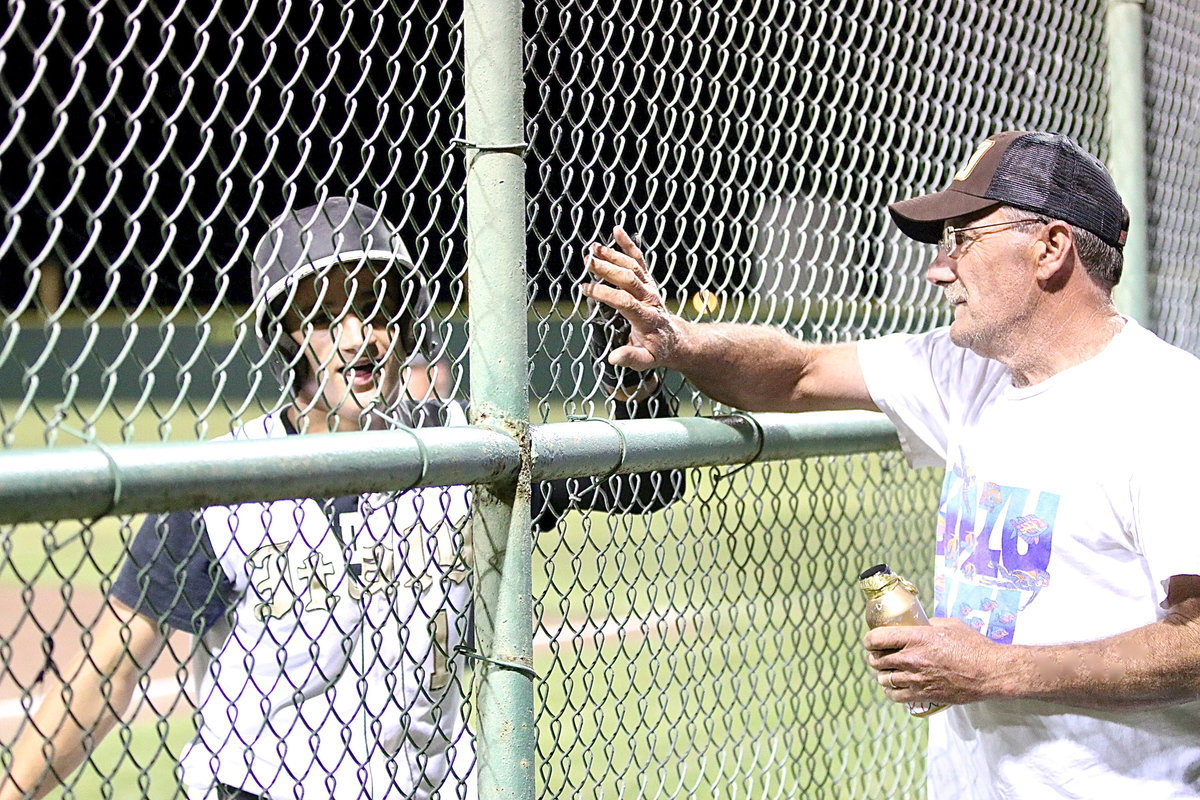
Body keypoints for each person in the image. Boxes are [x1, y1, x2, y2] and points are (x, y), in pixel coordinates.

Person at [583, 131, 1200, 799]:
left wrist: (997, 672)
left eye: (964, 239)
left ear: (1050, 249)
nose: (941, 268)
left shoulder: (1165, 407)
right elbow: (798, 371)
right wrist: (681, 341)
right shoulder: (968, 370)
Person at [1, 197, 682, 800]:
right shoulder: (226, 481)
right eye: (325, 316)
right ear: (287, 335)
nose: (358, 338)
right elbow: (107, 675)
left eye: (375, 308)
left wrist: (636, 381)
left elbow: (650, 482)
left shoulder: (469, 451)